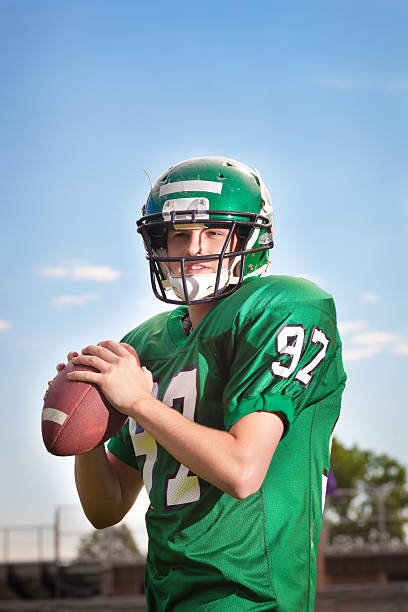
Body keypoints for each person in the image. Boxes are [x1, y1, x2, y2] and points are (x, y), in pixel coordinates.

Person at [57, 157, 346, 611]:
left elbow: (242, 470)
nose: (194, 249)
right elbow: (105, 508)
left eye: (214, 231)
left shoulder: (283, 307)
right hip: (166, 597)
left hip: (252, 598)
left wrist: (138, 402)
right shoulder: (144, 345)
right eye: (179, 234)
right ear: (159, 244)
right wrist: (85, 427)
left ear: (251, 238)